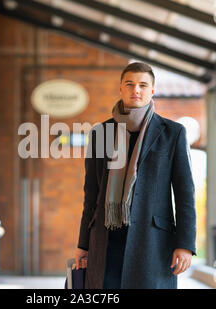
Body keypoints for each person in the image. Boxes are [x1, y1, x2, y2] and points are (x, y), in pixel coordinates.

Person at [74, 62, 196, 289]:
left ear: (152, 90)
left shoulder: (172, 133)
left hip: (152, 241)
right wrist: (84, 244)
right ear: (121, 88)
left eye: (142, 85)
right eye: (129, 84)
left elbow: (184, 193)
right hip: (106, 239)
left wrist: (185, 244)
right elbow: (91, 195)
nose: (136, 90)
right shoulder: (100, 133)